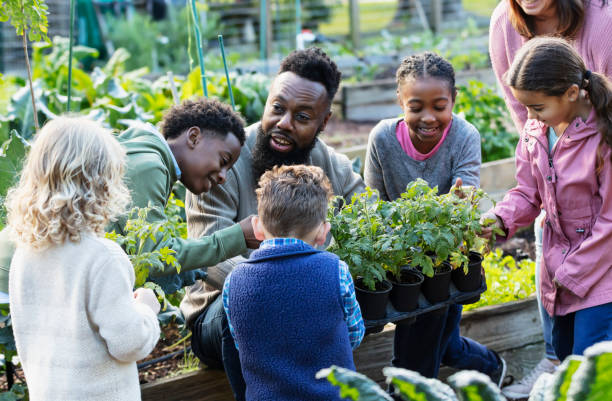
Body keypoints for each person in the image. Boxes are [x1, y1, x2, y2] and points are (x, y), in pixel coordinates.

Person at [180, 47, 365, 400]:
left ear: (323, 123)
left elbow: (369, 211)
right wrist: (278, 284)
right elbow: (209, 255)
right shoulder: (224, 160)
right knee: (241, 306)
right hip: (220, 313)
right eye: (277, 108)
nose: (283, 123)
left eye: (302, 116)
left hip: (299, 309)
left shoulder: (329, 162)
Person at [0, 98, 259, 295]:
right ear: (193, 137)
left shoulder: (144, 154)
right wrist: (238, 236)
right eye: (223, 160)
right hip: (15, 280)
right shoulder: (150, 166)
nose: (224, 176)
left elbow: (135, 255)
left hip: (27, 270)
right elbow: (156, 253)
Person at [489, 1, 612, 396]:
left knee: (588, 373)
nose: (530, 118)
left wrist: (570, 273)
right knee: (565, 361)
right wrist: (498, 221)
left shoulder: (603, 139)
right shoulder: (536, 133)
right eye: (526, 108)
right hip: (559, 275)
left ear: (573, 93)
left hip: (599, 275)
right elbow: (527, 192)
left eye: (538, 107)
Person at [364, 52, 505, 385]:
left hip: (445, 257)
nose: (428, 117)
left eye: (439, 107)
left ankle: (409, 387)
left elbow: (465, 202)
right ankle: (490, 367)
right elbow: (373, 207)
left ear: (453, 100)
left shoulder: (464, 136)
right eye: (416, 107)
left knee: (420, 345)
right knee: (444, 344)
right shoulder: (382, 139)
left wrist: (461, 205)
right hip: (401, 261)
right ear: (400, 101)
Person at [6, 117, 161, 401]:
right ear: (102, 184)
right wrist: (148, 310)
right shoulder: (102, 259)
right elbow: (129, 343)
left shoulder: (24, 257)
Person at [223, 165, 364, 401]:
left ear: (257, 227)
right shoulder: (335, 271)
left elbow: (242, 344)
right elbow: (355, 334)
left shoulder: (234, 281)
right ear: (323, 232)